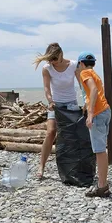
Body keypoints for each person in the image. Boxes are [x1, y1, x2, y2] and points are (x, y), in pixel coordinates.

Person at [33, 43, 79, 179]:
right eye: (50, 59)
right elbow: (47, 88)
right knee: (51, 132)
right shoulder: (47, 68)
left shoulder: (73, 65)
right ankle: (41, 166)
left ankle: (73, 167)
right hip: (55, 104)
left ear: (61, 55)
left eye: (54, 59)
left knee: (71, 136)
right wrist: (50, 101)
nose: (52, 62)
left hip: (71, 104)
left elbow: (82, 84)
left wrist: (87, 100)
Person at [78, 51, 111, 198]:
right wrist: (86, 106)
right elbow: (95, 93)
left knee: (99, 151)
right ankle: (102, 184)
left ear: (81, 63)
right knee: (101, 149)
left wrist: (90, 114)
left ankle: (102, 186)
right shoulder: (95, 74)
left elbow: (93, 90)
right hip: (106, 110)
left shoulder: (84, 73)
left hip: (97, 114)